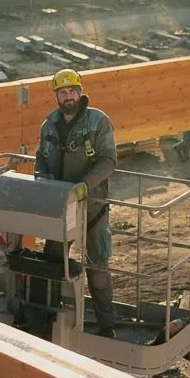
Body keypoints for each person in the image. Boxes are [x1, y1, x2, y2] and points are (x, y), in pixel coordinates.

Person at [34, 68, 118, 337]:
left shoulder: (97, 122)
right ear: (56, 96)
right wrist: (43, 179)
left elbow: (108, 161)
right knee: (53, 260)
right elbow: (41, 158)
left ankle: (107, 326)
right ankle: (48, 316)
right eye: (62, 93)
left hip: (92, 206)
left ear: (80, 93)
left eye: (72, 91)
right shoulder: (49, 125)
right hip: (61, 208)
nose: (68, 97)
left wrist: (84, 185)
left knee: (98, 267)